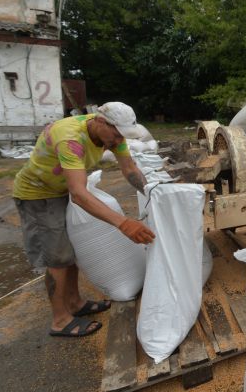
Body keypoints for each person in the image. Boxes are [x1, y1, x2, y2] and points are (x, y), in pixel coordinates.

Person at [13, 102, 156, 338]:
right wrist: (123, 223)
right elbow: (79, 194)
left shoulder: (114, 136)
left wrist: (151, 193)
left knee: (70, 253)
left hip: (59, 192)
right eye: (116, 133)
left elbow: (129, 169)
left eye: (123, 135)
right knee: (57, 258)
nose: (119, 140)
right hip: (37, 196)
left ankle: (75, 303)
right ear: (99, 121)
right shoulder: (70, 138)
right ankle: (60, 320)